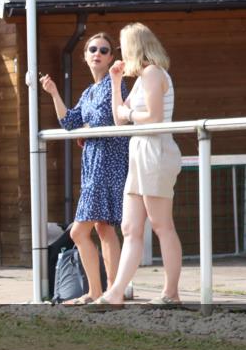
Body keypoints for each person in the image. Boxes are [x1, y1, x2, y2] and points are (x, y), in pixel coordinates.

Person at [93, 23, 183, 308]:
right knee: (130, 227)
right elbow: (119, 119)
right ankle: (116, 292)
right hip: (139, 149)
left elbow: (154, 117)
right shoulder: (141, 79)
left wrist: (130, 113)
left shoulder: (154, 73)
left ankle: (171, 292)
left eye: (122, 45)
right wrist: (117, 80)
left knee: (161, 224)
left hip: (156, 149)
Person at [40, 33, 130, 304]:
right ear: (85, 55)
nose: (98, 54)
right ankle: (102, 292)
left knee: (81, 231)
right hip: (92, 164)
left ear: (111, 57)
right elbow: (69, 122)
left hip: (108, 162)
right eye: (93, 49)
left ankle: (107, 291)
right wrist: (54, 92)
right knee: (103, 228)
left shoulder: (116, 85)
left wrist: (86, 130)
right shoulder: (89, 91)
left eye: (104, 50)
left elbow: (108, 121)